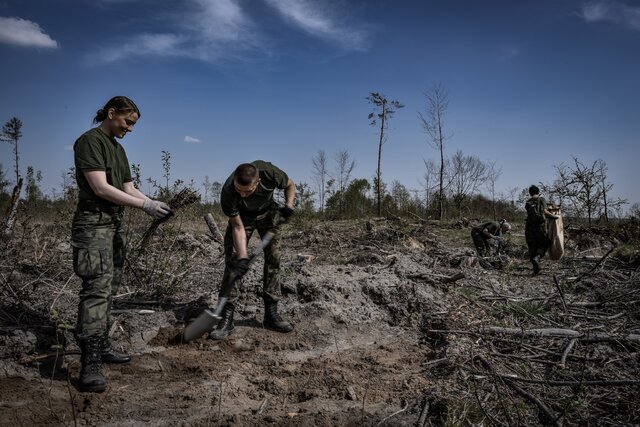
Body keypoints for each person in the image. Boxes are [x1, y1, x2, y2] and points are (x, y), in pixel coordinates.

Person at [72, 96, 172, 393]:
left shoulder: (119, 149)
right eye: (127, 122)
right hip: (92, 225)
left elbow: (128, 188)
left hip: (113, 224)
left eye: (133, 124)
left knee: (110, 286)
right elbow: (101, 187)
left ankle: (101, 345)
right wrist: (145, 208)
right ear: (112, 113)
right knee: (96, 289)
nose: (130, 128)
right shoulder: (90, 142)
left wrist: (153, 202)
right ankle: (89, 362)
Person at [210, 161, 296, 341]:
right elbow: (237, 227)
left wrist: (289, 206)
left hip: (269, 214)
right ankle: (227, 318)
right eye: (239, 189)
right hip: (242, 217)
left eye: (247, 191)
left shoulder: (271, 174)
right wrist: (242, 256)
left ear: (258, 182)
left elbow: (290, 185)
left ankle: (271, 315)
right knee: (233, 264)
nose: (242, 193)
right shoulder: (228, 192)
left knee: (274, 260)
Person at [525, 185, 559, 275]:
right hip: (539, 226)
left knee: (533, 246)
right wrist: (555, 217)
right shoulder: (541, 199)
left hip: (529, 227)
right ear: (538, 192)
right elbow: (545, 212)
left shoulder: (528, 202)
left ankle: (535, 269)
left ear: (530, 193)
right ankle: (537, 257)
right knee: (545, 243)